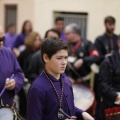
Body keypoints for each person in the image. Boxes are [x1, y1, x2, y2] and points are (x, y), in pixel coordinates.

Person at [27, 37, 94, 120]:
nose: (64, 62)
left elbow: (69, 108)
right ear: (46, 58)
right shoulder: (37, 88)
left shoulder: (66, 80)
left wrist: (83, 114)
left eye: (66, 58)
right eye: (59, 58)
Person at [94, 16, 118, 120]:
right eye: (110, 24)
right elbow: (95, 56)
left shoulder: (117, 37)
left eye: (113, 24)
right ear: (105, 24)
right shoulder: (100, 40)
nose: (112, 27)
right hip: (105, 69)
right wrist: (104, 57)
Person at [17, 31, 42, 118]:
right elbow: (18, 67)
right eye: (35, 40)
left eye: (39, 40)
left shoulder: (41, 53)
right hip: (25, 83)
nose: (37, 42)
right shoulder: (24, 53)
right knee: (24, 107)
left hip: (36, 83)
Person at [0, 25, 24, 107]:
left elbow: (19, 75)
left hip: (6, 110)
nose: (1, 43)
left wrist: (14, 82)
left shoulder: (8, 53)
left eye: (2, 39)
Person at [98, 35, 120, 119]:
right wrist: (116, 97)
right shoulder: (108, 62)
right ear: (119, 43)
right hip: (113, 105)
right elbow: (103, 85)